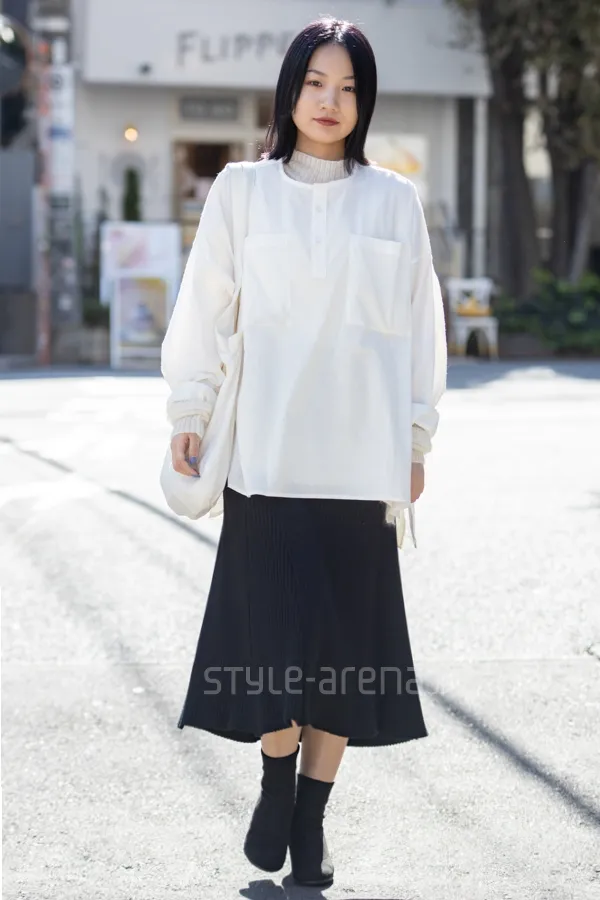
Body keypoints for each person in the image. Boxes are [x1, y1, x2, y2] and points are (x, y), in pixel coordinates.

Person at [160, 16, 447, 889]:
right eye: (316, 82)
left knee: (344, 662)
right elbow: (205, 305)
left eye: (349, 87)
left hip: (361, 470)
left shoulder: (393, 201)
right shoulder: (242, 191)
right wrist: (190, 409)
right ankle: (276, 780)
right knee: (271, 651)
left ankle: (312, 821)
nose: (331, 101)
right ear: (289, 91)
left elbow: (421, 329)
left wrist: (416, 437)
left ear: (365, 103)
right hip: (267, 462)